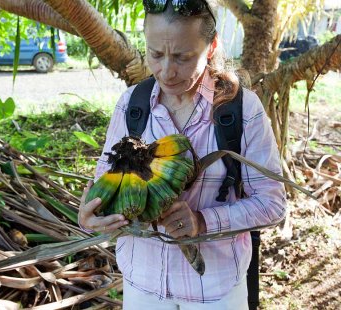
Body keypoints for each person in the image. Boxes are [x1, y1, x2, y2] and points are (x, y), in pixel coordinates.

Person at [79, 0, 287, 308]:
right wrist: (92, 218)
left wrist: (203, 222)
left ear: (211, 45)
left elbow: (272, 204)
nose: (166, 71)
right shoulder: (132, 105)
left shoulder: (240, 110)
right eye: (155, 54)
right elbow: (105, 187)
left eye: (182, 57)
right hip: (143, 287)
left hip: (214, 291)